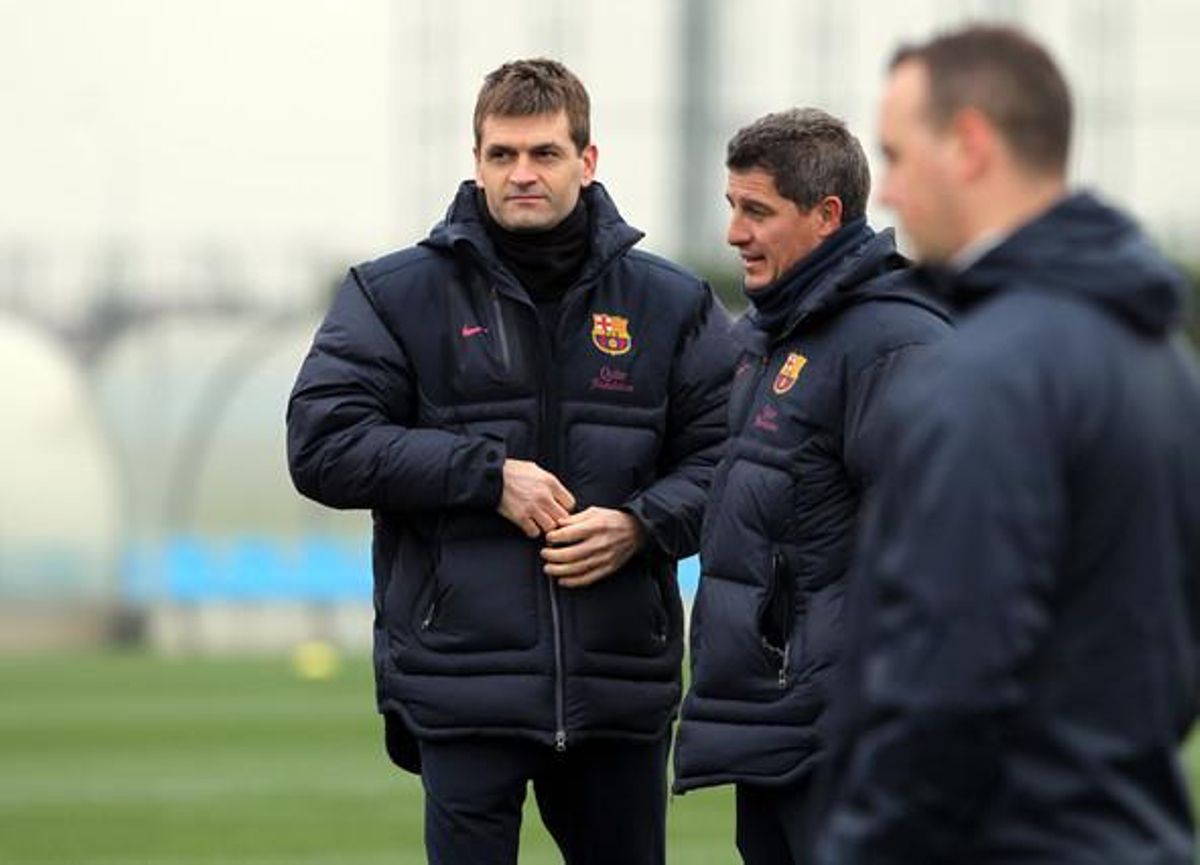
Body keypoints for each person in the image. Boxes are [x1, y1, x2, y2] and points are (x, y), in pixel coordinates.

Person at [286, 58, 736, 865]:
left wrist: (642, 524)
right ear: (477, 160)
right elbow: (321, 445)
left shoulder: (672, 304)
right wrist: (485, 474)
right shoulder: (394, 295)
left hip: (618, 689)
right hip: (462, 683)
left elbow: (733, 463)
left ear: (587, 162)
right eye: (502, 155)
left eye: (544, 154)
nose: (521, 174)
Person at [814, 25, 1200, 864]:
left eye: (898, 154)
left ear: (971, 144)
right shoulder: (1162, 363)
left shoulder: (988, 375)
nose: (885, 193)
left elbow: (945, 685)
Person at [672, 107, 950, 864]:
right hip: (777, 731)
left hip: (850, 742)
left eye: (757, 211)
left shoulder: (894, 345)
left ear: (827, 215)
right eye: (731, 207)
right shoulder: (761, 339)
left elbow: (944, 552)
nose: (735, 233)